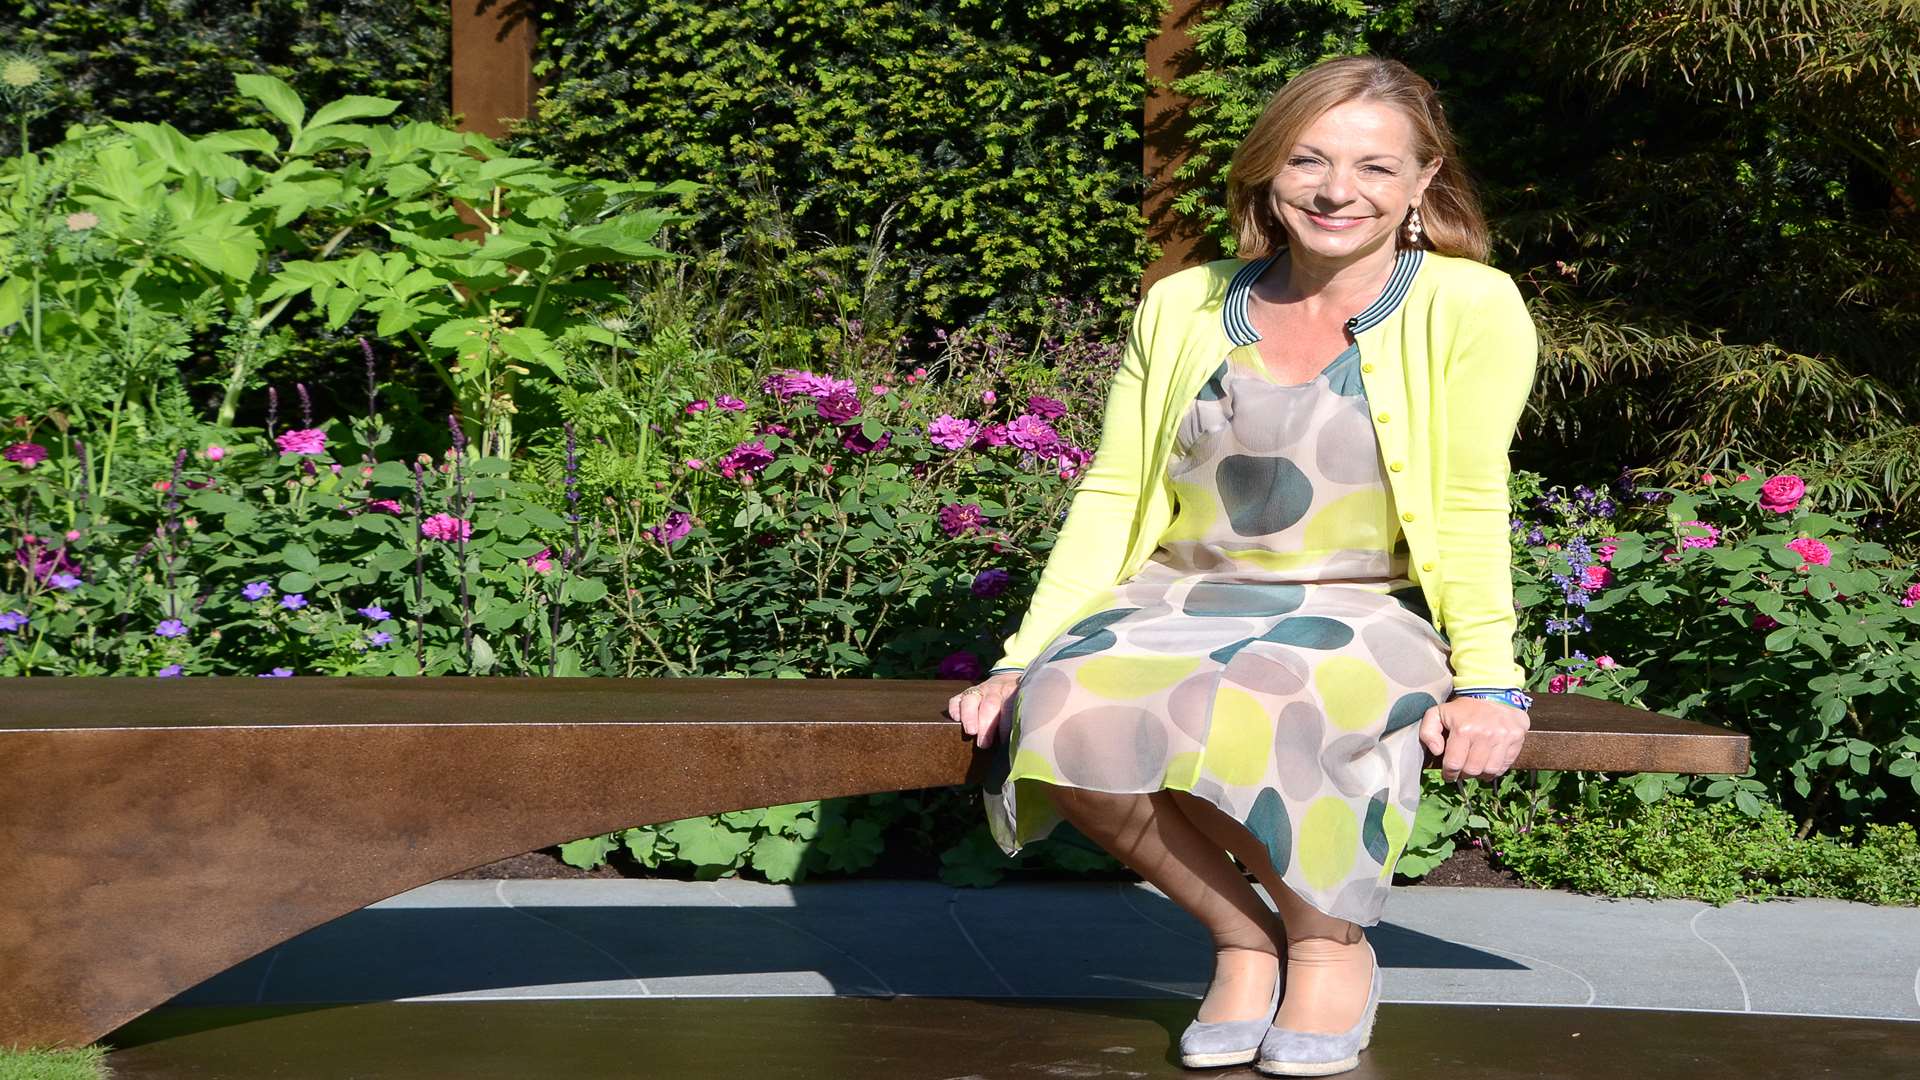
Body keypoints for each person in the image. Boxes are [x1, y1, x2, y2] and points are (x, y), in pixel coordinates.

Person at [945, 55, 1538, 1076]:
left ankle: (1328, 949)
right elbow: (1112, 489)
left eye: (1372, 166)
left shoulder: (1467, 306)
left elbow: (1476, 496)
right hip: (1170, 595)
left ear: (1422, 180)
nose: (1336, 189)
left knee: (1281, 696)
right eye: (1306, 159)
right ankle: (1242, 938)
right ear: (1266, 172)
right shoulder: (1184, 305)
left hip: (1357, 603)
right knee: (1068, 713)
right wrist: (1023, 653)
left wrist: (1491, 681)